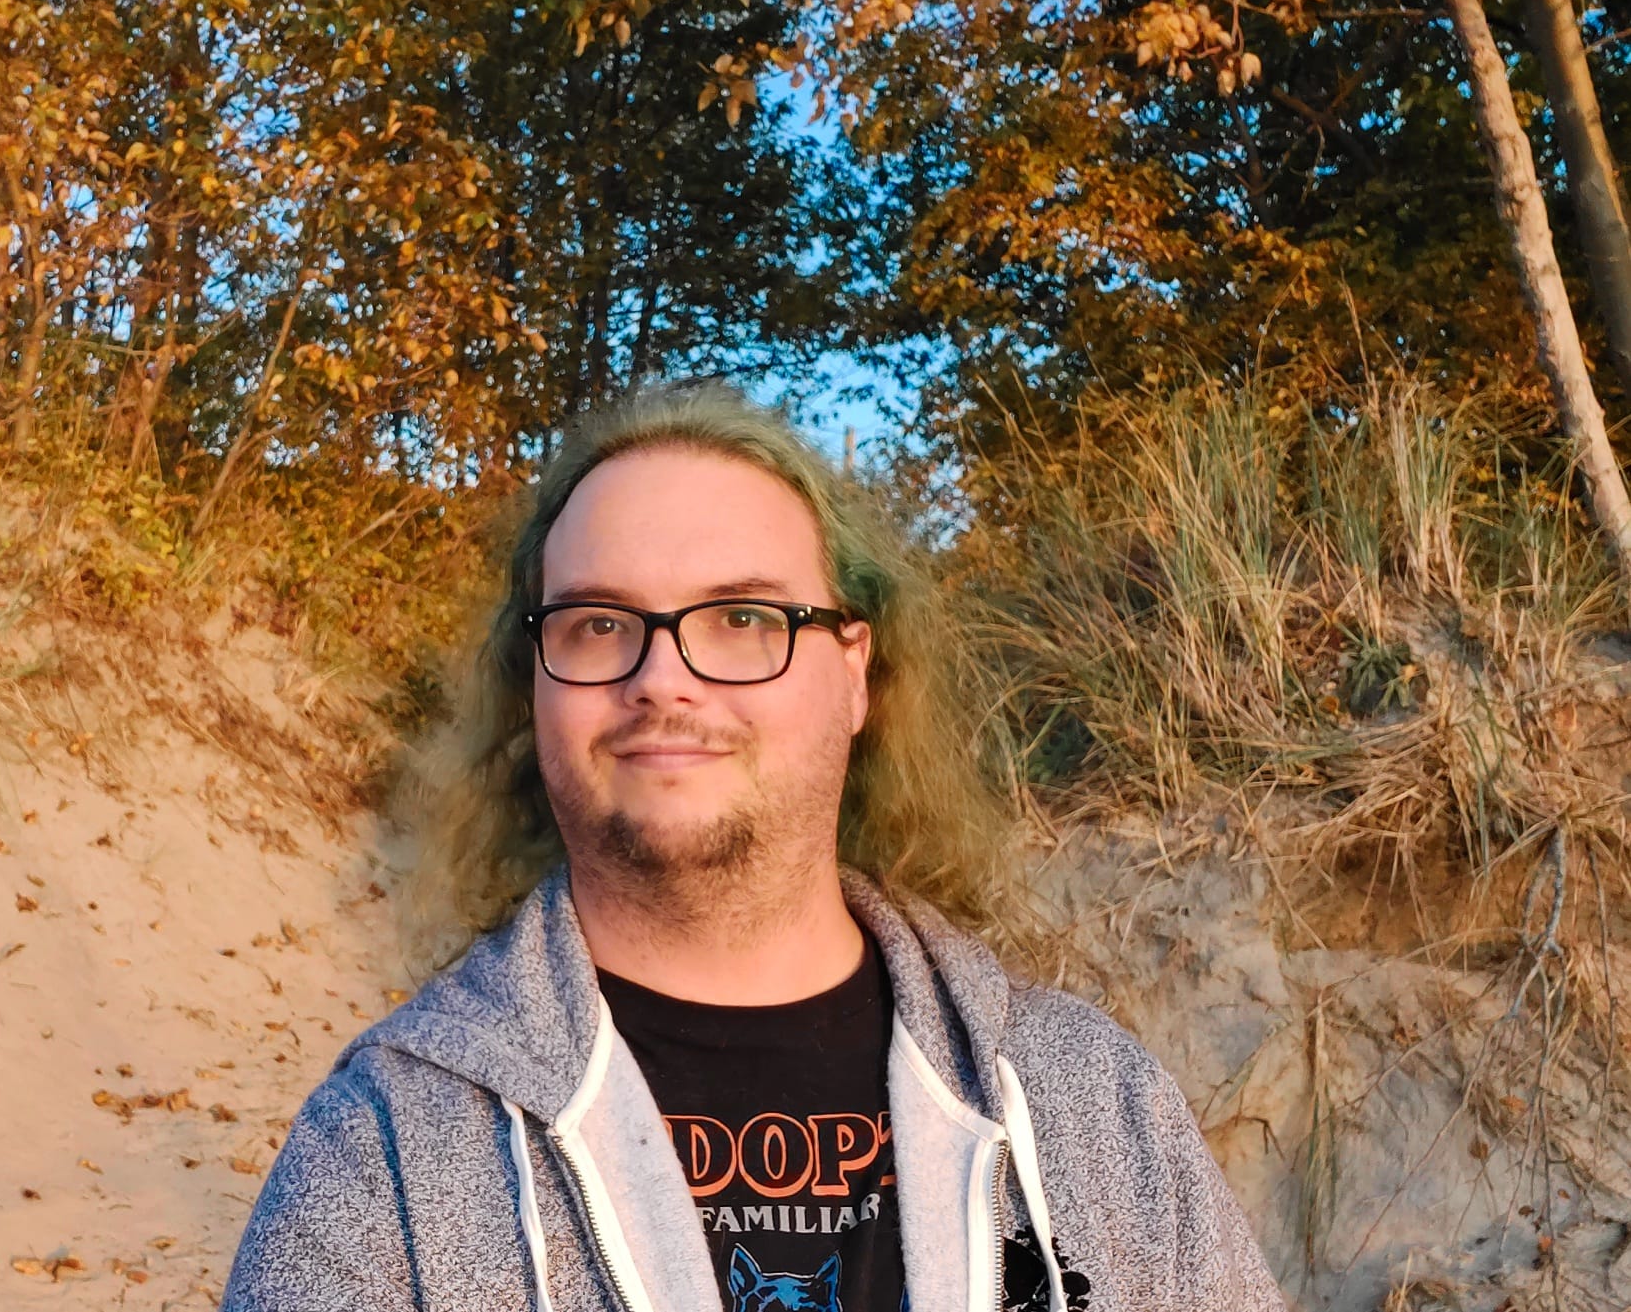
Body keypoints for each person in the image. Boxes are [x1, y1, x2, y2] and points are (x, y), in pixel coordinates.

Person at [222, 381, 1285, 1312]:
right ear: (534, 682)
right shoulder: (390, 1142)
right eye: (597, 622)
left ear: (856, 669)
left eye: (739, 617)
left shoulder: (1089, 1104)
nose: (661, 678)